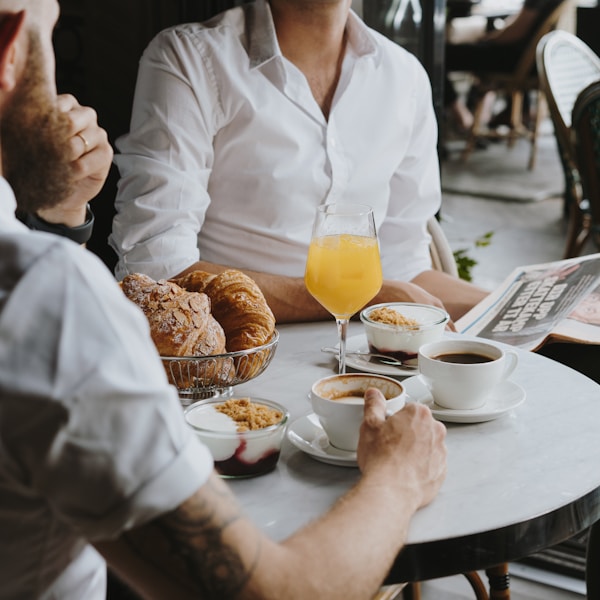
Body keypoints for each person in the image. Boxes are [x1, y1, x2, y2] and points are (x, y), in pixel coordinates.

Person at [0, 2, 447, 598]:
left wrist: (58, 221)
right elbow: (273, 593)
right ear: (11, 49)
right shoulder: (47, 304)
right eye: (48, 29)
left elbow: (412, 266)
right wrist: (399, 478)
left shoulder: (402, 76)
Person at [110, 0, 488, 324]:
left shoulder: (404, 77)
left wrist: (513, 305)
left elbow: (405, 268)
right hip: (235, 358)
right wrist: (352, 300)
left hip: (376, 358)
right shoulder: (190, 58)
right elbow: (156, 268)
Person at [444, 0, 567, 131]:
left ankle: (460, 113)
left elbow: (516, 31)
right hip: (539, 62)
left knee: (443, 54)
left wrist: (488, 38)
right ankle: (508, 112)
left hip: (520, 64)